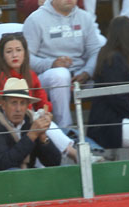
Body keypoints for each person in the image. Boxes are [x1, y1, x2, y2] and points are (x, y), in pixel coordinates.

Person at [0, 32, 78, 163]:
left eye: (18, 50)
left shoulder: (30, 75)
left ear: (25, 53)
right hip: (1, 128)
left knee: (43, 122)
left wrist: (44, 114)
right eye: (9, 51)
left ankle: (73, 154)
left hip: (25, 124)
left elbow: (43, 102)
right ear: (2, 56)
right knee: (40, 123)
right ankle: (75, 154)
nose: (14, 55)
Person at [23, 0, 101, 129]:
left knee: (111, 69)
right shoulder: (35, 19)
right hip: (47, 76)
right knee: (60, 75)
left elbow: (96, 51)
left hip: (81, 74)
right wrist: (51, 64)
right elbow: (26, 58)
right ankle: (66, 128)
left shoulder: (85, 17)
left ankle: (104, 129)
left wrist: (87, 72)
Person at [0, 77, 61, 172]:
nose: (18, 109)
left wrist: (43, 137)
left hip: (24, 176)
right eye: (14, 103)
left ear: (27, 105)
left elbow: (54, 162)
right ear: (3, 105)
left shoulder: (30, 119)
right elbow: (3, 164)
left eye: (22, 103)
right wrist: (31, 135)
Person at [88, 16, 129, 151]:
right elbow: (116, 97)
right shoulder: (114, 59)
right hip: (109, 125)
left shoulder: (111, 55)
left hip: (114, 122)